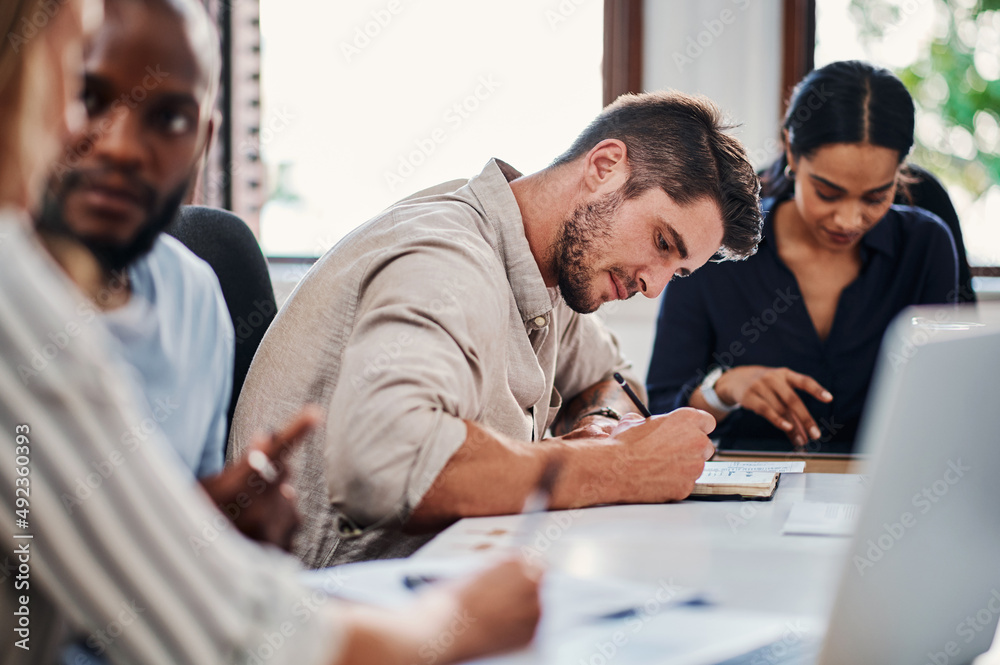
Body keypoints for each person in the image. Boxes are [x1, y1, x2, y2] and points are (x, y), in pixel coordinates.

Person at [0, 0, 541, 663]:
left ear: (204, 141)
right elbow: (216, 626)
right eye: (82, 92)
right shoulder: (17, 297)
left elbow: (151, 556)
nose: (114, 143)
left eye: (167, 116)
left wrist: (211, 526)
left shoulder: (193, 292)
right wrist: (447, 624)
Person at [230, 91, 764, 567]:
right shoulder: (448, 259)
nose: (653, 286)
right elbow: (386, 466)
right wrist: (617, 465)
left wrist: (604, 423)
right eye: (662, 243)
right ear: (604, 166)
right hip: (324, 613)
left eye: (678, 272)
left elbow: (611, 377)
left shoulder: (551, 271)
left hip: (445, 594)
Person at [646, 60, 959, 453]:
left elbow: (958, 396)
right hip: (749, 497)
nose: (849, 220)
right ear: (791, 151)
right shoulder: (719, 246)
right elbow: (659, 412)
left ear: (900, 172)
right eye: (828, 193)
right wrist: (724, 389)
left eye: (876, 196)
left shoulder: (925, 246)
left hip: (887, 490)